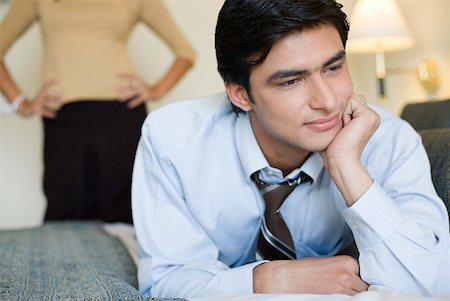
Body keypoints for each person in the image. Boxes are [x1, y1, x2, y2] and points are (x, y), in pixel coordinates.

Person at [132, 0, 450, 298]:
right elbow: (163, 283)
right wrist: (272, 278)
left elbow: (431, 285)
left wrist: (346, 165)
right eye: (291, 82)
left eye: (333, 68)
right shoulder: (173, 140)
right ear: (240, 95)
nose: (327, 102)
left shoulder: (388, 139)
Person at [0, 0, 195, 223]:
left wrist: (156, 89)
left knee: (124, 217)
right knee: (64, 214)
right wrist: (21, 103)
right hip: (62, 120)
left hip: (121, 117)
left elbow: (186, 53)